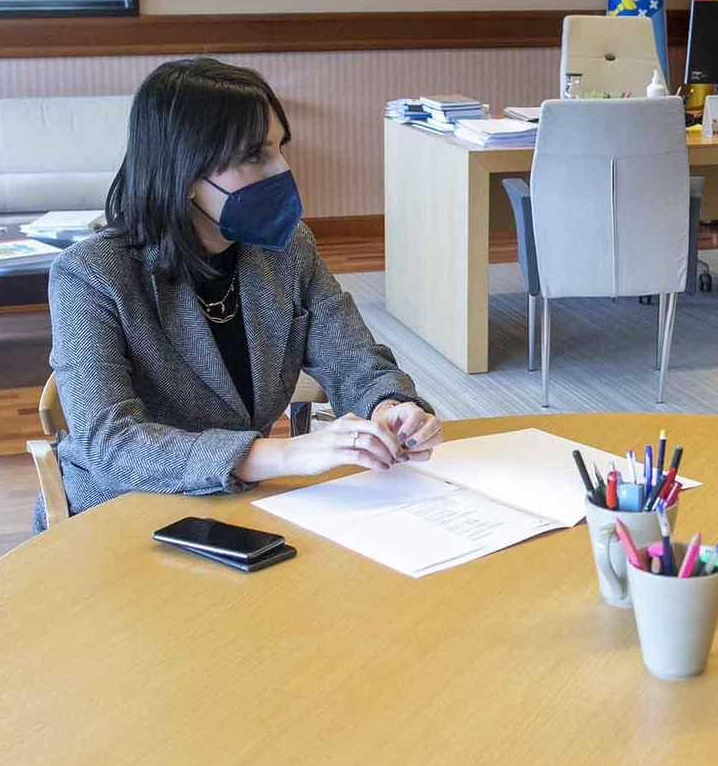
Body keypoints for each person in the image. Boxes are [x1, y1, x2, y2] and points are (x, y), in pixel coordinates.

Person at [40, 57, 442, 529]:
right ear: (186, 176)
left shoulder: (287, 248)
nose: (283, 170)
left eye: (279, 149)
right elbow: (108, 443)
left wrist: (392, 408)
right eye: (256, 155)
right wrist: (286, 454)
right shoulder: (90, 275)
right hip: (120, 516)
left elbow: (355, 360)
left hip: (237, 507)